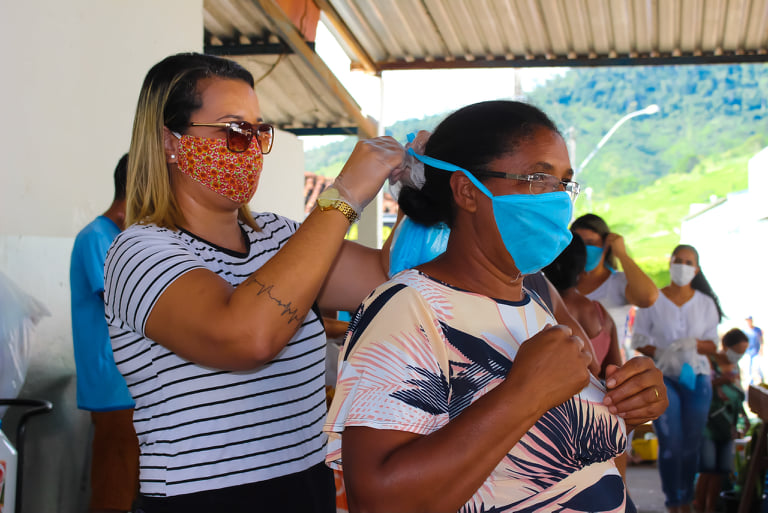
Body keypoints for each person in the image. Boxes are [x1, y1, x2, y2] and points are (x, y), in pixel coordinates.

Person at [324, 100, 668, 513]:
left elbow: (553, 453)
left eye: (564, 183)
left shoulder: (533, 306)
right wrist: (524, 393)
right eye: (538, 179)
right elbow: (378, 499)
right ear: (468, 191)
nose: (558, 200)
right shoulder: (410, 308)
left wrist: (630, 406)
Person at [103, 53, 404, 512]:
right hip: (204, 501)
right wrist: (342, 197)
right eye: (231, 128)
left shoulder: (282, 236)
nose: (250, 145)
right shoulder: (139, 251)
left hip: (304, 486)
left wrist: (419, 196)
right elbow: (248, 336)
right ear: (170, 140)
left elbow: (389, 277)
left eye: (257, 130)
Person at [69, 153, 139, 513]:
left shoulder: (123, 237)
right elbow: (129, 302)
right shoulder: (97, 237)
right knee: (114, 493)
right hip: (114, 388)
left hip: (134, 390)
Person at [632, 244, 722, 513]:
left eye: (688, 262)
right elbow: (638, 340)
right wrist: (660, 351)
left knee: (691, 444)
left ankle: (687, 499)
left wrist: (692, 343)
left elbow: (713, 344)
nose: (682, 266)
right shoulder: (653, 300)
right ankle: (674, 502)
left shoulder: (706, 304)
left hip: (697, 378)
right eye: (678, 260)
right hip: (663, 377)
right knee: (671, 442)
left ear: (696, 269)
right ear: (670, 263)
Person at [571, 213, 659, 358]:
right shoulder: (563, 282)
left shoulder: (618, 282)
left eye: (591, 243)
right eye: (579, 243)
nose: (584, 249)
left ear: (605, 246)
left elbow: (648, 297)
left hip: (607, 372)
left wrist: (622, 255)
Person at [543, 233, 622, 377]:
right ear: (583, 266)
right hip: (595, 396)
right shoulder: (601, 314)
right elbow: (616, 372)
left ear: (545, 265)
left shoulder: (538, 310)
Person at [694, 328, 750, 513]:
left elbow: (737, 395)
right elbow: (698, 387)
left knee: (721, 470)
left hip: (727, 425)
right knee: (707, 468)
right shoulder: (709, 362)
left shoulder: (736, 369)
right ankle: (699, 506)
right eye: (737, 351)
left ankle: (710, 508)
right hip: (708, 422)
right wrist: (720, 382)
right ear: (726, 346)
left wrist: (743, 418)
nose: (739, 356)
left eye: (742, 353)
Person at [744, 315, 764, 384]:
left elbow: (761, 340)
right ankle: (750, 384)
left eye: (749, 320)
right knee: (748, 370)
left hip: (756, 352)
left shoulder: (757, 330)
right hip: (747, 352)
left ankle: (762, 382)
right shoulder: (744, 331)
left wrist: (761, 348)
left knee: (757, 368)